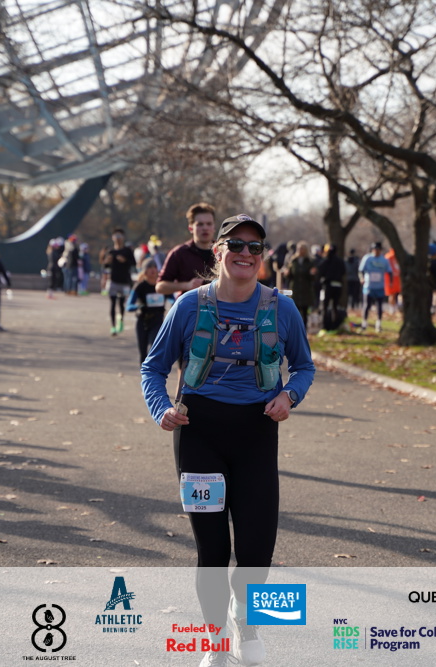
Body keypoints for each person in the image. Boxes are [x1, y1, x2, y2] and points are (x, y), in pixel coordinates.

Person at [141, 214, 314, 667]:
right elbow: (153, 368)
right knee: (213, 550)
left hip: (256, 433)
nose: (245, 254)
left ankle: (246, 623)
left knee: (257, 549)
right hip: (199, 433)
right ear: (218, 252)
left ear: (262, 256)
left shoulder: (281, 308)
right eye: (235, 245)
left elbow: (304, 367)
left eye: (255, 247)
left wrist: (289, 395)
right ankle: (215, 638)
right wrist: (162, 409)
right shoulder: (189, 306)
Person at [156, 202, 217, 296]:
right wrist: (186, 285)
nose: (205, 228)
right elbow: (160, 287)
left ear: (214, 227)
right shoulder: (179, 253)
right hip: (189, 304)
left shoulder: (225, 251)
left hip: (219, 304)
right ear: (191, 228)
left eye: (209, 224)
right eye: (200, 224)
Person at [127, 259, 167, 365]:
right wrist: (138, 306)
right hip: (142, 321)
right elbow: (129, 306)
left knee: (153, 348)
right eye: (149, 267)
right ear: (144, 270)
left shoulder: (162, 286)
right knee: (143, 353)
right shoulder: (140, 286)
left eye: (155, 267)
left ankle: (151, 371)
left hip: (157, 321)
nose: (153, 270)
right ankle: (143, 373)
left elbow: (173, 299)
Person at [103, 228, 136, 335]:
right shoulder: (110, 251)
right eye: (116, 236)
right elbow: (105, 266)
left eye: (120, 236)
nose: (118, 239)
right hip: (113, 280)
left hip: (124, 281)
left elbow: (134, 263)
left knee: (121, 303)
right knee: (112, 303)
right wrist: (107, 261)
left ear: (123, 238)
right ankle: (113, 326)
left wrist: (125, 260)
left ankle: (121, 319)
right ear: (112, 238)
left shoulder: (127, 251)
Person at [359, 241, 392, 332]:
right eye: (375, 249)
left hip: (380, 286)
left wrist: (390, 282)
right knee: (366, 305)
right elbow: (361, 270)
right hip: (368, 286)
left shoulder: (384, 260)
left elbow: (389, 272)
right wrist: (362, 278)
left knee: (379, 306)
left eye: (378, 250)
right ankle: (364, 324)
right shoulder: (367, 258)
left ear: (380, 250)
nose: (376, 251)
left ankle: (378, 325)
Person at [283, 241, 316, 327]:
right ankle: (295, 328)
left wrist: (312, 274)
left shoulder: (310, 261)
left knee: (304, 312)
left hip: (306, 289)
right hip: (296, 289)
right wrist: (287, 274)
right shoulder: (293, 261)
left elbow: (313, 278)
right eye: (299, 249)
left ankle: (304, 329)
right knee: (295, 311)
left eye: (302, 249)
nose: (300, 250)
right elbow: (290, 276)